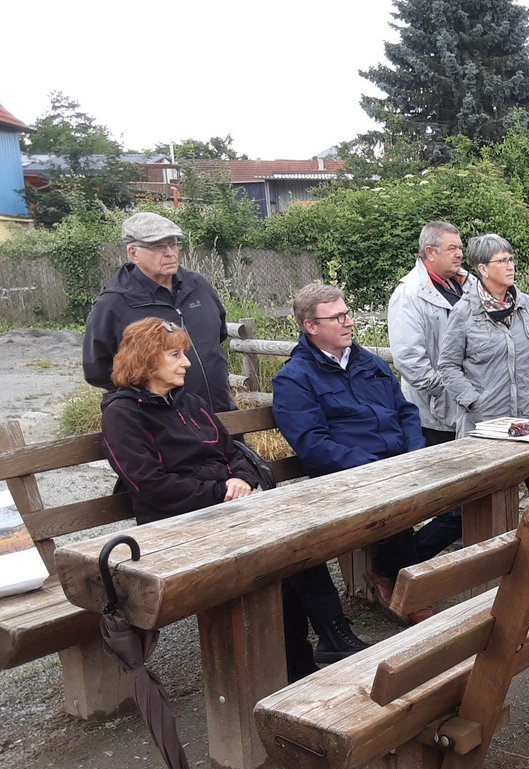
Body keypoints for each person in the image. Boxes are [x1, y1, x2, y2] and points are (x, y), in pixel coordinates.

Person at [99, 318, 369, 683]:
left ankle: (321, 642)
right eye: (175, 355)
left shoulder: (190, 402)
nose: (187, 363)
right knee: (274, 556)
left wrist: (241, 478)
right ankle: (296, 663)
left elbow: (235, 453)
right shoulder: (123, 414)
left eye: (184, 354)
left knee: (295, 541)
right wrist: (221, 488)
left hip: (229, 509)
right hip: (176, 527)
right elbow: (151, 486)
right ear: (146, 360)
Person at [272, 282, 429, 614]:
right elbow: (313, 446)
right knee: (395, 505)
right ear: (311, 326)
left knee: (472, 491)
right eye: (337, 317)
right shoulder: (295, 378)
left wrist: (416, 453)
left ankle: (404, 574)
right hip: (347, 478)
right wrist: (375, 467)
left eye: (347, 313)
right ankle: (406, 587)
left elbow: (405, 411)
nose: (348, 322)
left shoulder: (369, 363)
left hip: (399, 464)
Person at [437, 233, 529, 513]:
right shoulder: (465, 312)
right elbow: (447, 366)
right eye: (502, 261)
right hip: (487, 424)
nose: (510, 266)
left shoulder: (526, 305)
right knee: (481, 505)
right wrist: (475, 401)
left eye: (511, 259)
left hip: (528, 419)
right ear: (483, 268)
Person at [388, 221, 477, 560]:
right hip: (435, 411)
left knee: (467, 493)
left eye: (460, 247)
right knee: (444, 498)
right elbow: (410, 360)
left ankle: (459, 559)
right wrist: (448, 392)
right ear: (430, 253)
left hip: (471, 407)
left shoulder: (467, 284)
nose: (460, 253)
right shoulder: (409, 294)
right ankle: (401, 564)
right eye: (452, 248)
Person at [84, 212, 234, 413]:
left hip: (220, 411)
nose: (170, 253)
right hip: (163, 425)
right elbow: (97, 369)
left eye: (173, 244)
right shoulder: (114, 303)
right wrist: (150, 396)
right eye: (158, 246)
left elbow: (218, 336)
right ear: (133, 253)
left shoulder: (197, 285)